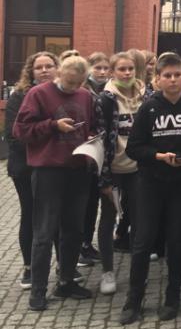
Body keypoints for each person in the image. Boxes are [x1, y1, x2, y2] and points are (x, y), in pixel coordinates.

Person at [119, 53, 181, 324]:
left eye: (177, 75)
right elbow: (134, 148)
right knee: (142, 241)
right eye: (167, 76)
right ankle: (134, 299)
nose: (173, 80)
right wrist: (158, 157)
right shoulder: (148, 108)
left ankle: (173, 298)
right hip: (150, 183)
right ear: (157, 79)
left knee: (176, 240)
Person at [13, 56, 96, 311]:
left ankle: (66, 281)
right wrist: (53, 125)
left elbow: (91, 126)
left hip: (77, 170)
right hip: (48, 171)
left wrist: (93, 140)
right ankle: (38, 290)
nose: (72, 89)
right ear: (59, 73)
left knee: (73, 230)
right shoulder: (38, 94)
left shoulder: (85, 96)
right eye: (68, 83)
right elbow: (20, 130)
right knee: (44, 232)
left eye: (77, 84)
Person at [4, 51, 59, 290]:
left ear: (57, 68)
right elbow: (13, 135)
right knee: (31, 215)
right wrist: (49, 138)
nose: (44, 70)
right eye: (39, 67)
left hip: (56, 167)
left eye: (49, 66)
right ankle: (29, 267)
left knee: (57, 215)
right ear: (31, 71)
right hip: (25, 168)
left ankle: (63, 265)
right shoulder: (19, 96)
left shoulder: (63, 94)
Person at [96, 52, 147, 295]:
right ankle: (107, 271)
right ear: (113, 72)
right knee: (108, 219)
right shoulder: (105, 99)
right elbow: (100, 138)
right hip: (114, 168)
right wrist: (104, 177)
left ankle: (138, 270)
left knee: (139, 218)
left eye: (130, 69)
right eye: (121, 69)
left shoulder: (146, 96)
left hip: (138, 169)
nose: (127, 73)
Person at [79, 51, 111, 268]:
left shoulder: (110, 91)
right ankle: (81, 245)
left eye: (105, 68)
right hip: (89, 156)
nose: (101, 72)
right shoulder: (84, 92)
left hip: (106, 156)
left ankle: (88, 243)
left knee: (97, 204)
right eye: (97, 68)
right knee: (86, 203)